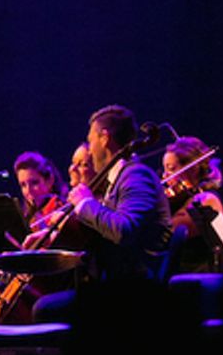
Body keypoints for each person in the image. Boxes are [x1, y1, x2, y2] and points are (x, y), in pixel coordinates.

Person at [64, 104, 171, 279]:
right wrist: (58, 233)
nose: (90, 150)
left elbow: (124, 230)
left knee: (52, 299)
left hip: (134, 285)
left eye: (91, 141)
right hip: (119, 280)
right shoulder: (120, 177)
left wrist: (85, 203)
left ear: (104, 138)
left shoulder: (136, 175)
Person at [162, 135, 223, 271]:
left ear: (193, 169)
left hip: (196, 275)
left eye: (171, 169)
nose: (165, 176)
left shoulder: (207, 200)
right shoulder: (176, 199)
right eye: (164, 169)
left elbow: (167, 232)